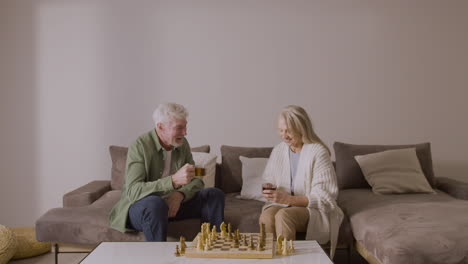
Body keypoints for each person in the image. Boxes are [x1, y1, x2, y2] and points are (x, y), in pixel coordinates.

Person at [109, 103, 225, 241]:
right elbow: (133, 191)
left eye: (185, 127)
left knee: (214, 194)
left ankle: (211, 248)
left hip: (173, 205)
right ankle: (159, 258)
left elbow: (197, 179)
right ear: (160, 127)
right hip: (143, 208)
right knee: (155, 204)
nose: (185, 132)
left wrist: (179, 194)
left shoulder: (182, 144)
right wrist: (173, 181)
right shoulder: (140, 146)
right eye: (179, 128)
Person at [259, 105, 343, 258]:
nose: (284, 136)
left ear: (302, 129)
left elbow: (325, 197)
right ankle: (269, 260)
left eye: (289, 131)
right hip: (285, 204)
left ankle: (287, 260)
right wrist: (270, 189)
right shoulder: (279, 150)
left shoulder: (318, 152)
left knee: (284, 216)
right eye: (281, 130)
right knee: (266, 217)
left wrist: (289, 199)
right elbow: (268, 179)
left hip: (313, 209)